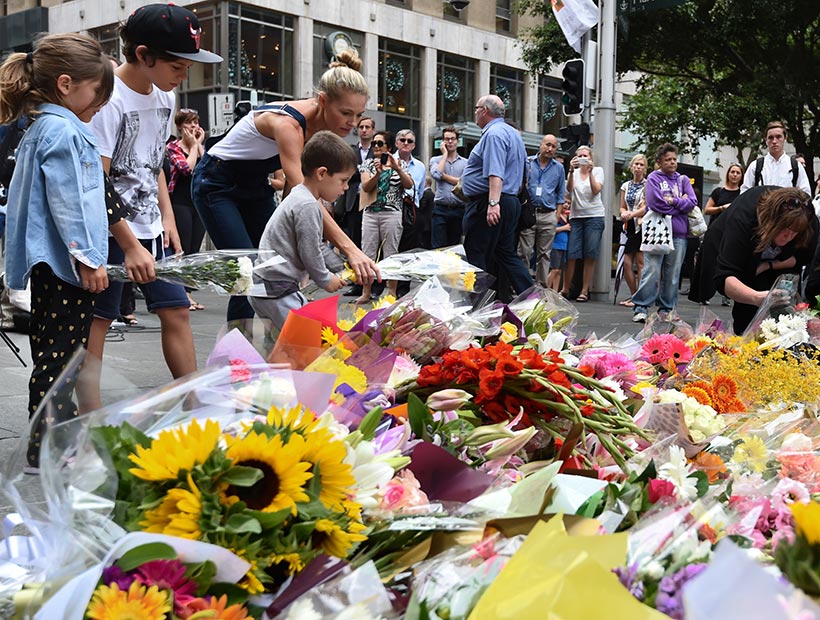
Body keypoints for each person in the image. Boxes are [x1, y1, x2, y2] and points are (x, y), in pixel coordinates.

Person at [86, 3, 224, 409]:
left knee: (177, 311)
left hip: (151, 227)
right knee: (99, 321)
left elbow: (154, 161)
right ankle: (87, 419)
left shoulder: (165, 92)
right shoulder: (107, 98)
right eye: (179, 66)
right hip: (112, 230)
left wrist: (167, 216)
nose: (185, 75)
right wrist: (128, 244)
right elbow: (97, 179)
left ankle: (195, 404)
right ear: (144, 55)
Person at [192, 49, 379, 322]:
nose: (353, 123)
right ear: (323, 101)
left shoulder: (323, 128)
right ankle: (237, 351)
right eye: (346, 113)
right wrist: (350, 249)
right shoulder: (289, 125)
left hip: (255, 186)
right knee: (249, 273)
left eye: (359, 115)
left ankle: (274, 342)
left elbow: (295, 199)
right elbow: (304, 194)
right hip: (216, 183)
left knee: (274, 264)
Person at [0, 33, 115, 467]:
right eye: (96, 94)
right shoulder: (66, 132)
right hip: (68, 265)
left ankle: (48, 443)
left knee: (52, 352)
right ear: (66, 84)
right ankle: (50, 448)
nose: (100, 105)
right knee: (62, 359)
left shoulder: (39, 126)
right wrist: (89, 258)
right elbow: (73, 202)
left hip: (49, 261)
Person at [249, 132, 351, 329]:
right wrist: (325, 279)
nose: (346, 187)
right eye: (343, 180)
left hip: (268, 288)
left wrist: (341, 268)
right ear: (321, 173)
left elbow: (317, 246)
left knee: (283, 350)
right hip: (278, 290)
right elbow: (310, 251)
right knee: (307, 343)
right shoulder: (307, 206)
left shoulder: (300, 197)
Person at [714, 186, 817, 334]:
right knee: (748, 320)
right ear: (769, 221)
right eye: (784, 230)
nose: (788, 237)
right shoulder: (743, 219)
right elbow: (725, 277)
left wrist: (769, 265)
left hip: (780, 267)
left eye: (795, 232)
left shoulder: (809, 222)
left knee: (787, 319)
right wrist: (756, 298)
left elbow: (803, 258)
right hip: (747, 265)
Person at [461, 95, 532, 302]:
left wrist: (493, 203)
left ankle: (478, 306)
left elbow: (495, 172)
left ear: (484, 111)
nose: (475, 112)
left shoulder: (494, 134)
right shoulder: (513, 133)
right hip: (509, 200)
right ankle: (532, 298)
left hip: (491, 201)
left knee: (476, 255)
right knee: (507, 254)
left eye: (476, 108)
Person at [631, 143, 698, 323]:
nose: (672, 162)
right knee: (651, 270)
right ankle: (641, 307)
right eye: (668, 159)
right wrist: (679, 205)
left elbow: (692, 201)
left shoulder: (683, 180)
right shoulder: (653, 178)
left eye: (674, 159)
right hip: (657, 231)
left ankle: (666, 309)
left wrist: (672, 202)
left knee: (673, 274)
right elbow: (655, 203)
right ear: (659, 162)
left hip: (679, 234)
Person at [356, 131, 414, 303]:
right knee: (368, 254)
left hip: (392, 213)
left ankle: (391, 292)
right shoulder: (367, 164)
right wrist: (378, 173)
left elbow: (409, 185)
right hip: (371, 213)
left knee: (391, 254)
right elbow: (366, 187)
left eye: (380, 144)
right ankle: (367, 292)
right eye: (374, 144)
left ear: (388, 147)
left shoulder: (400, 163)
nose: (376, 147)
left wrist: (396, 168)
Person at [166, 107, 206, 310]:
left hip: (197, 204)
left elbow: (208, 167)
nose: (194, 126)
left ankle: (187, 293)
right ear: (181, 125)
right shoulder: (173, 147)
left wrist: (198, 145)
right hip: (179, 203)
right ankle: (179, 293)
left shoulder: (198, 147)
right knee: (181, 250)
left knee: (194, 251)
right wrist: (192, 147)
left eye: (196, 121)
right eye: (190, 122)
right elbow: (187, 169)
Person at [690, 163, 743, 305]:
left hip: (733, 233)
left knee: (730, 262)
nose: (735, 175)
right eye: (732, 172)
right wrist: (721, 208)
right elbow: (707, 210)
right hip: (715, 231)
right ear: (728, 173)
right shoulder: (718, 192)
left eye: (738, 173)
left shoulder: (742, 194)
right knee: (709, 262)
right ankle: (704, 294)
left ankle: (728, 294)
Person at [518, 133, 566, 287]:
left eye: (553, 146)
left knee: (544, 254)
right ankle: (522, 287)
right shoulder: (528, 163)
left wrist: (557, 216)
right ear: (541, 145)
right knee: (524, 252)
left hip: (548, 215)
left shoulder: (558, 168)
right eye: (548, 145)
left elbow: (560, 193)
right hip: (529, 214)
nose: (550, 149)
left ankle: (541, 288)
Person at [560, 145, 605, 303]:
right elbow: (569, 189)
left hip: (594, 216)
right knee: (572, 253)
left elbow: (596, 190)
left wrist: (591, 172)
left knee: (590, 254)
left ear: (591, 158)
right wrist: (571, 171)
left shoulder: (598, 170)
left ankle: (584, 290)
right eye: (579, 156)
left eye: (585, 155)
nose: (583, 158)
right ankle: (565, 288)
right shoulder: (574, 173)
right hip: (576, 216)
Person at [335, 115, 374, 251]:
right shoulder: (350, 151)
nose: (364, 130)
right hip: (352, 198)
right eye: (361, 127)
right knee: (352, 235)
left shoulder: (377, 151)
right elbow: (346, 173)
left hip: (370, 200)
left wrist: (359, 171)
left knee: (369, 239)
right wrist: (364, 172)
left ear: (373, 130)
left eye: (367, 127)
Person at [740, 120, 811, 194]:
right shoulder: (755, 166)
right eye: (770, 138)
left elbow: (805, 194)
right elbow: (745, 194)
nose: (774, 141)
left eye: (778, 137)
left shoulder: (796, 166)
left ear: (785, 138)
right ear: (766, 140)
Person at [429, 126, 467, 249]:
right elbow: (436, 174)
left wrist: (444, 177)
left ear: (457, 141)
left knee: (454, 248)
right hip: (441, 209)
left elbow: (464, 182)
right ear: (442, 142)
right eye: (446, 139)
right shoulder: (435, 160)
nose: (450, 142)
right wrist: (444, 155)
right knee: (437, 248)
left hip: (459, 209)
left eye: (452, 139)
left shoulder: (465, 163)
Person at [617, 154, 648, 306]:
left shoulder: (648, 185)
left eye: (641, 165)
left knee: (641, 262)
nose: (638, 167)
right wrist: (623, 213)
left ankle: (640, 298)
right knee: (627, 263)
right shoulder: (625, 185)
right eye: (636, 164)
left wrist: (632, 214)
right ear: (631, 166)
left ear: (645, 168)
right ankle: (634, 295)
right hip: (629, 226)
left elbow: (647, 207)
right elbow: (622, 205)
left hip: (642, 225)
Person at [546, 203, 571, 291]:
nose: (566, 205)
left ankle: (555, 292)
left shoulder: (567, 216)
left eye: (569, 203)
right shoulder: (556, 216)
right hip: (555, 245)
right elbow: (551, 229)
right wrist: (564, 228)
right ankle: (546, 289)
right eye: (564, 202)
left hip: (563, 246)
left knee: (559, 271)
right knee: (554, 269)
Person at [417, 175, 435, 250]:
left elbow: (421, 207)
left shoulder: (425, 194)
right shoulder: (433, 194)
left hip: (424, 223)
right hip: (429, 223)